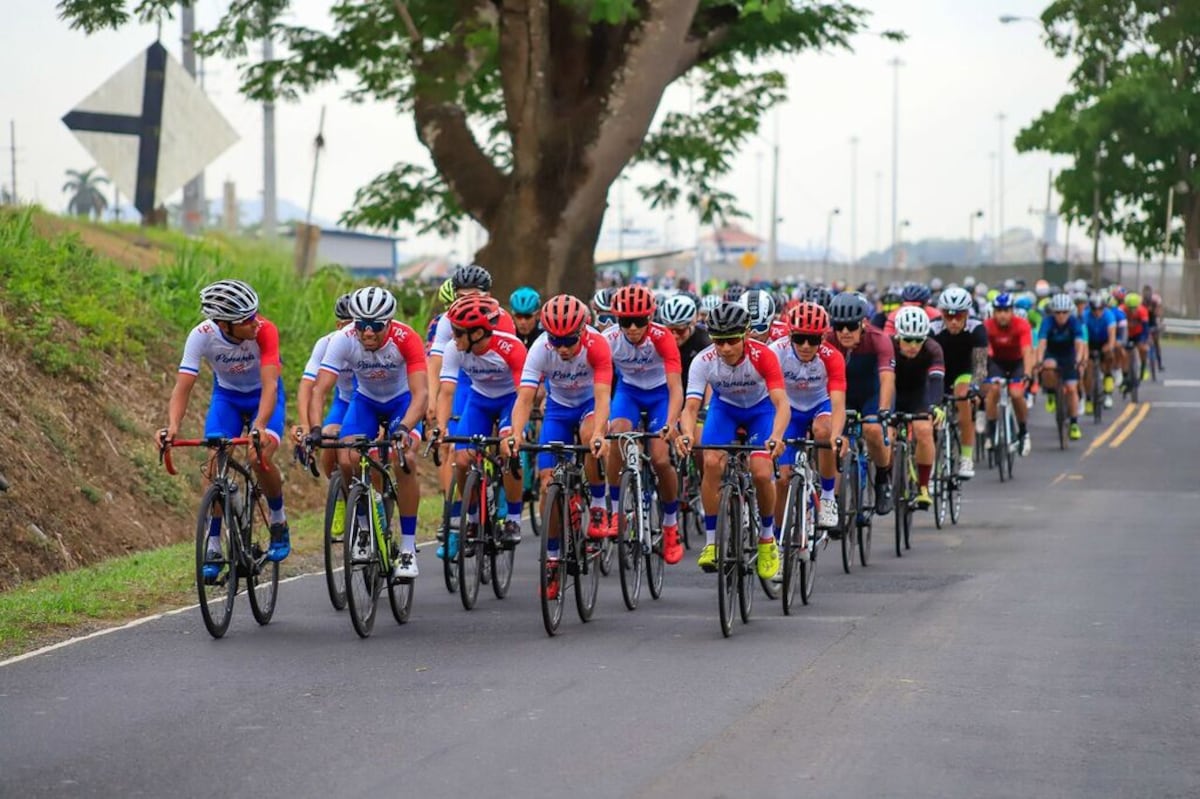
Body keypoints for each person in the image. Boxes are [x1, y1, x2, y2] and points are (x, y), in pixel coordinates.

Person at [161, 279, 290, 582]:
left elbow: (271, 384)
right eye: (246, 319)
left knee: (259, 456)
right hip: (227, 398)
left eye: (255, 314)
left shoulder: (265, 330)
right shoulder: (201, 336)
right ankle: (214, 545)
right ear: (223, 323)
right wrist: (173, 427)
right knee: (214, 467)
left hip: (264, 396)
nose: (254, 322)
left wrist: (259, 425)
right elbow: (183, 387)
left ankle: (278, 520)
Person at [308, 286, 428, 579]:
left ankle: (409, 547)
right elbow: (320, 388)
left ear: (388, 322)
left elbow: (421, 393)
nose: (368, 333)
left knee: (406, 461)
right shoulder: (344, 339)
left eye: (376, 326)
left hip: (403, 403)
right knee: (346, 457)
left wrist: (403, 428)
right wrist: (314, 429)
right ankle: (363, 528)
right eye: (361, 325)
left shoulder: (406, 338)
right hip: (367, 402)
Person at [505, 295, 616, 595]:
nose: (563, 349)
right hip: (558, 409)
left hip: (590, 405)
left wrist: (599, 435)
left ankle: (596, 505)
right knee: (546, 484)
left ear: (582, 331)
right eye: (557, 341)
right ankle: (552, 559)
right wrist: (515, 433)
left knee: (587, 437)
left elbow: (604, 396)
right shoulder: (541, 348)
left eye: (569, 341)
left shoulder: (597, 345)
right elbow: (525, 398)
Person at [677, 302, 790, 579]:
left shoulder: (763, 356)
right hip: (724, 409)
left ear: (746, 335)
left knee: (762, 473)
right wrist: (688, 434)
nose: (725, 348)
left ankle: (766, 539)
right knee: (712, 461)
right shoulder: (703, 360)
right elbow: (690, 407)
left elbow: (782, 403)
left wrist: (776, 436)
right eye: (719, 341)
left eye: (731, 341)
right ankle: (712, 542)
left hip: (760, 411)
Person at [435, 294, 528, 548]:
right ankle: (473, 515)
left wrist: (516, 432)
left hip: (510, 400)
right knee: (461, 458)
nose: (453, 336)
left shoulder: (511, 348)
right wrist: (441, 427)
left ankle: (513, 517)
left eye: (458, 331)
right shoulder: (454, 349)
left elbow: (524, 395)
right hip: (479, 400)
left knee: (509, 451)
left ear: (476, 333)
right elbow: (446, 392)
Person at [603, 285, 684, 558]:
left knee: (661, 459)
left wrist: (672, 422)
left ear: (650, 318)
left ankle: (671, 525)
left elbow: (675, 388)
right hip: (629, 393)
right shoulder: (610, 339)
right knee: (616, 437)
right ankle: (616, 511)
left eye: (640, 321)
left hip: (660, 394)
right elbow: (600, 384)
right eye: (626, 321)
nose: (634, 328)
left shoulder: (662, 338)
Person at [769, 302, 846, 531]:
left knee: (824, 431)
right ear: (790, 334)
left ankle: (829, 496)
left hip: (819, 405)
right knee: (782, 479)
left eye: (813, 340)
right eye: (799, 338)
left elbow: (839, 401)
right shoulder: (776, 351)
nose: (805, 346)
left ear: (823, 338)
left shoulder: (832, 357)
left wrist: (837, 434)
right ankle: (777, 535)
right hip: (788, 410)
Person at [825, 292, 896, 514]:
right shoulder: (828, 340)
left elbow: (887, 378)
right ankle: (833, 501)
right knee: (834, 441)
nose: (845, 332)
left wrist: (883, 410)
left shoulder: (879, 339)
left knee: (873, 429)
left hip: (871, 395)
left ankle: (884, 478)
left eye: (851, 326)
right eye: (839, 326)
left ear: (863, 323)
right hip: (841, 395)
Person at [891, 307, 946, 508]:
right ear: (898, 336)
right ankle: (889, 477)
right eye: (907, 340)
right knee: (886, 435)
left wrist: (934, 406)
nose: (913, 345)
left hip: (919, 396)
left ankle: (923, 485)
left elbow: (936, 380)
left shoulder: (933, 349)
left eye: (918, 340)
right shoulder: (889, 347)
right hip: (894, 395)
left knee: (924, 430)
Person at [932, 286, 988, 478]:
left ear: (967, 313)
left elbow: (980, 365)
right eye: (948, 315)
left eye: (959, 315)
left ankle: (966, 458)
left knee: (962, 397)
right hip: (939, 372)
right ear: (941, 313)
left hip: (964, 372)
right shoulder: (933, 328)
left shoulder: (977, 328)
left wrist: (974, 386)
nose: (954, 321)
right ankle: (933, 464)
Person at [983, 292, 1035, 454]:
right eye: (999, 311)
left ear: (1012, 311)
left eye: (1006, 311)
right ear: (994, 312)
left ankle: (1023, 431)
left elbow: (1027, 351)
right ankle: (991, 433)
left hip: (1017, 362)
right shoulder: (987, 326)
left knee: (1017, 394)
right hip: (996, 362)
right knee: (994, 390)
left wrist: (1027, 373)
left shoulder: (1022, 325)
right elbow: (983, 352)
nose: (1003, 315)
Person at [1036, 292, 1088, 440]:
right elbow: (1042, 343)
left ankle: (1073, 423)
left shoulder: (1074, 322)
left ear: (1069, 312)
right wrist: (1039, 361)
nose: (1061, 316)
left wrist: (1078, 361)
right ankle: (1051, 392)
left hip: (1068, 355)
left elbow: (1080, 344)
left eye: (1064, 312)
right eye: (1057, 313)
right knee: (1048, 366)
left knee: (1072, 389)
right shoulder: (1047, 322)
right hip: (1052, 353)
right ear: (1053, 313)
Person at [1082, 294, 1117, 411]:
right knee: (1088, 368)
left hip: (1104, 341)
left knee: (1110, 355)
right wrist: (1086, 354)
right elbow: (1082, 337)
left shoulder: (1109, 315)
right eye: (1094, 309)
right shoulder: (1085, 316)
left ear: (1104, 308)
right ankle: (1088, 399)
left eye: (1100, 309)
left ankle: (1108, 386)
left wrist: (1109, 347)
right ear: (1090, 308)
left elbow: (1112, 336)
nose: (1097, 312)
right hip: (1090, 341)